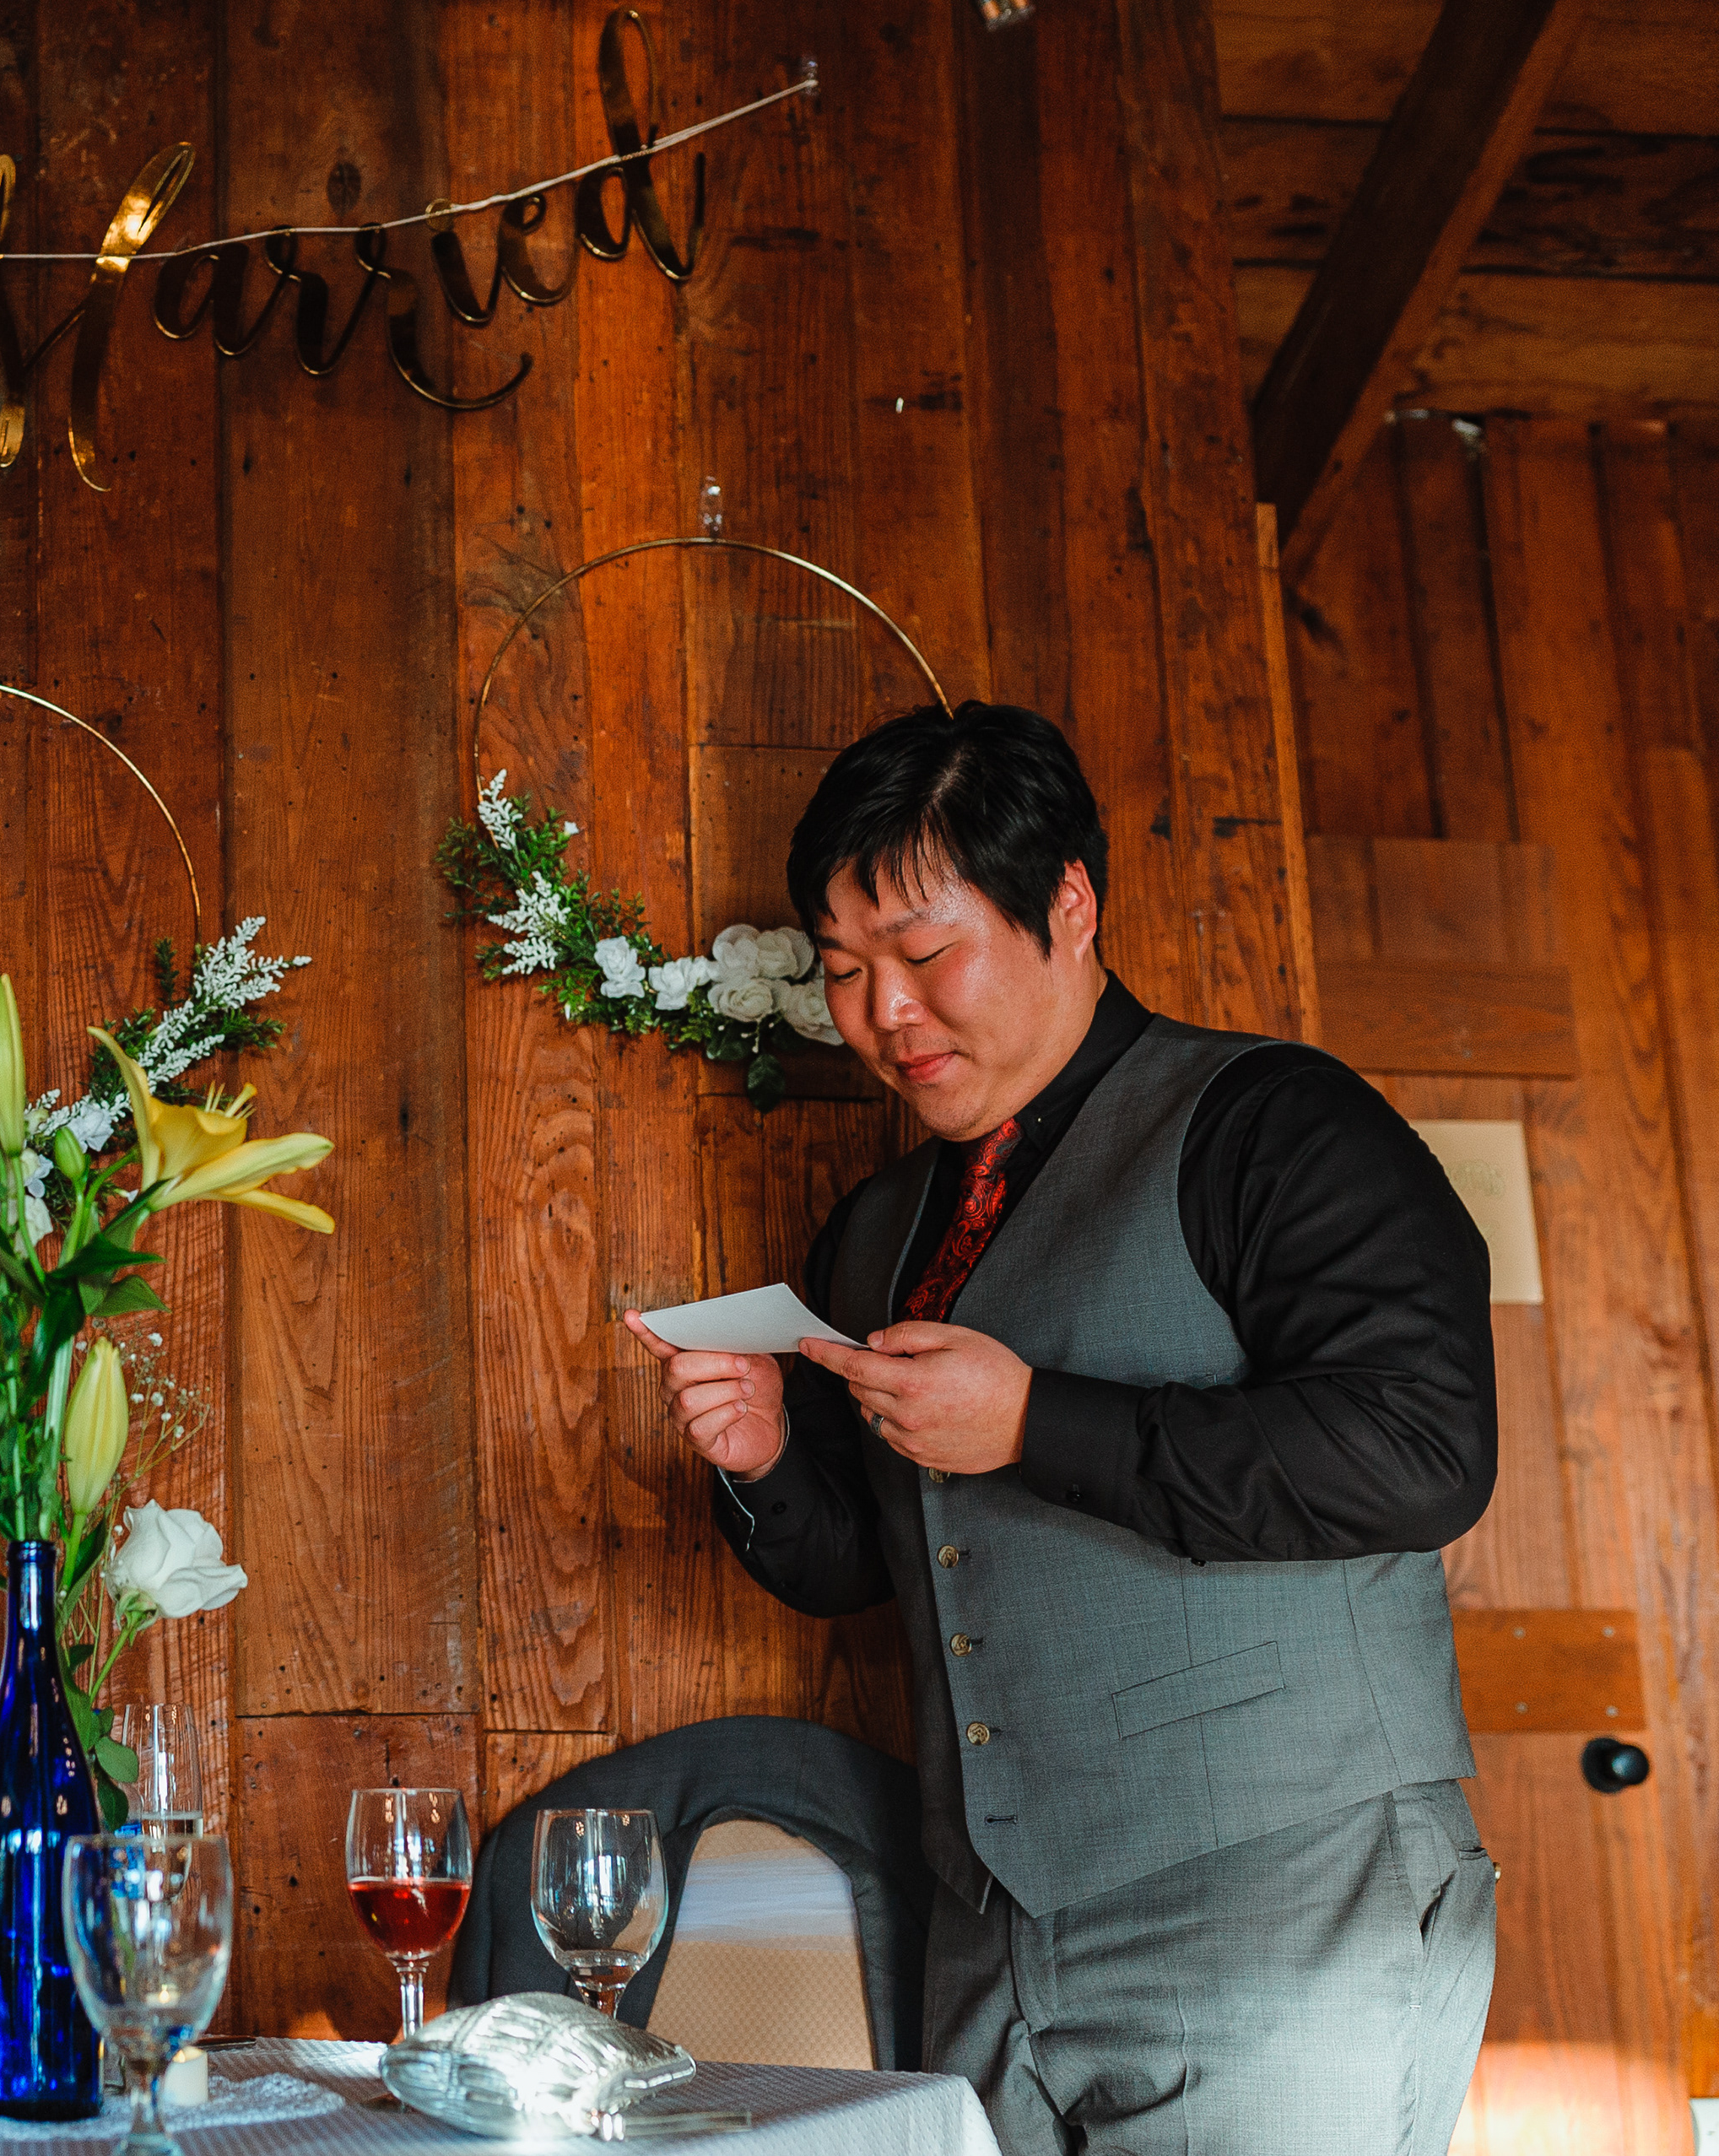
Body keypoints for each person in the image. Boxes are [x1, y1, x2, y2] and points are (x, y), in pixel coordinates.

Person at [626, 703, 1497, 2154]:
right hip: (990, 1935)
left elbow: (1422, 1452)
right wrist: (766, 1460)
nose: (884, 1014)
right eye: (842, 971)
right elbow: (881, 1563)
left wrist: (1035, 1419)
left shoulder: (1274, 1123)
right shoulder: (878, 1228)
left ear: (1070, 905)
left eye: (923, 953)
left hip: (1284, 1905)